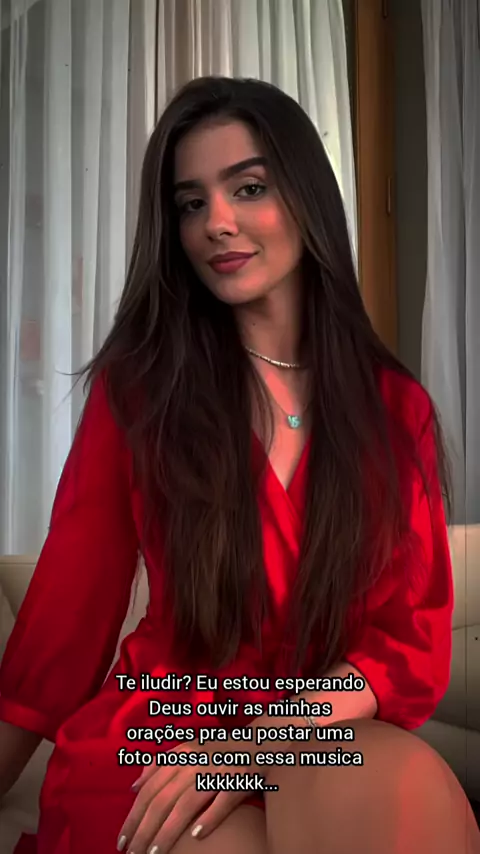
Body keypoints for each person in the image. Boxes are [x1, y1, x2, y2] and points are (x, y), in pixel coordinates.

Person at [0, 76, 478, 854]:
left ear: (306, 197)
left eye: (248, 188)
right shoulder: (141, 390)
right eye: (191, 204)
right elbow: (64, 618)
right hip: (161, 738)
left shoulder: (397, 410)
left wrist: (255, 743)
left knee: (405, 799)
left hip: (313, 728)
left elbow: (405, 645)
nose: (216, 223)